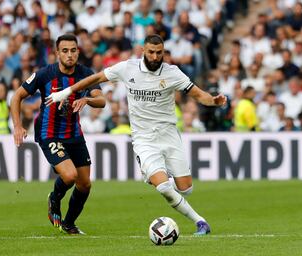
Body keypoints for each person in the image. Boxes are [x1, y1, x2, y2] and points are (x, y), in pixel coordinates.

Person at [46, 34, 226, 235]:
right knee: (164, 187)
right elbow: (96, 78)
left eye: (159, 53)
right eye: (151, 52)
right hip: (144, 139)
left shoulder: (173, 73)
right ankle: (200, 222)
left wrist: (213, 101)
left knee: (186, 189)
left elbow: (199, 94)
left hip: (169, 136)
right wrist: (67, 92)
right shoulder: (128, 68)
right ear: (143, 51)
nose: (155, 57)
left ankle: (154, 174)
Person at [10, 34, 106, 235]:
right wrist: (18, 126)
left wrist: (87, 99)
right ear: (57, 53)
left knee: (85, 184)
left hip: (74, 134)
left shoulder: (85, 73)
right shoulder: (45, 74)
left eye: (73, 50)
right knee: (69, 175)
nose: (69, 55)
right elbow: (17, 96)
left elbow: (102, 100)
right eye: (65, 51)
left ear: (78, 52)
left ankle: (69, 224)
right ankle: (54, 198)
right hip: (49, 133)